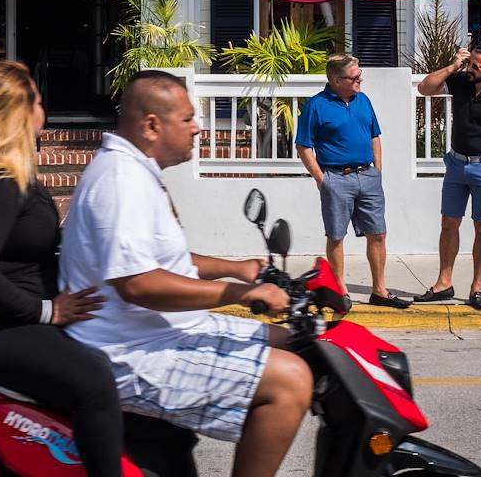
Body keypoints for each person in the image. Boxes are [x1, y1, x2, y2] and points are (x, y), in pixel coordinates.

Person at [61, 71, 313, 477]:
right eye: (188, 119)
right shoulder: (121, 181)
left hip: (160, 332)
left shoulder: (136, 171)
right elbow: (139, 283)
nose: (199, 128)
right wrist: (238, 293)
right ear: (151, 126)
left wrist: (242, 269)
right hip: (131, 352)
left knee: (301, 343)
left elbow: (164, 259)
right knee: (290, 381)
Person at [0, 60, 123, 477]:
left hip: (5, 319)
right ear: (17, 114)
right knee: (96, 386)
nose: (44, 110)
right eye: (37, 100)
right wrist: (48, 311)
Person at [295, 54, 409, 309]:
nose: (360, 80)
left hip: (368, 176)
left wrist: (377, 170)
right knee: (336, 235)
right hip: (336, 177)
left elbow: (374, 135)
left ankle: (379, 290)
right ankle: (340, 290)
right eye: (354, 77)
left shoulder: (363, 100)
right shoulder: (316, 105)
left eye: (360, 75)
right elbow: (303, 145)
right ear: (336, 80)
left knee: (378, 233)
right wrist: (322, 179)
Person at [413, 46, 481, 310]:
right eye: (469, 63)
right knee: (449, 223)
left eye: (476, 66)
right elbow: (425, 88)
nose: (470, 69)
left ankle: (476, 287)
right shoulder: (461, 80)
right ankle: (443, 283)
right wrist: (454, 66)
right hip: (456, 164)